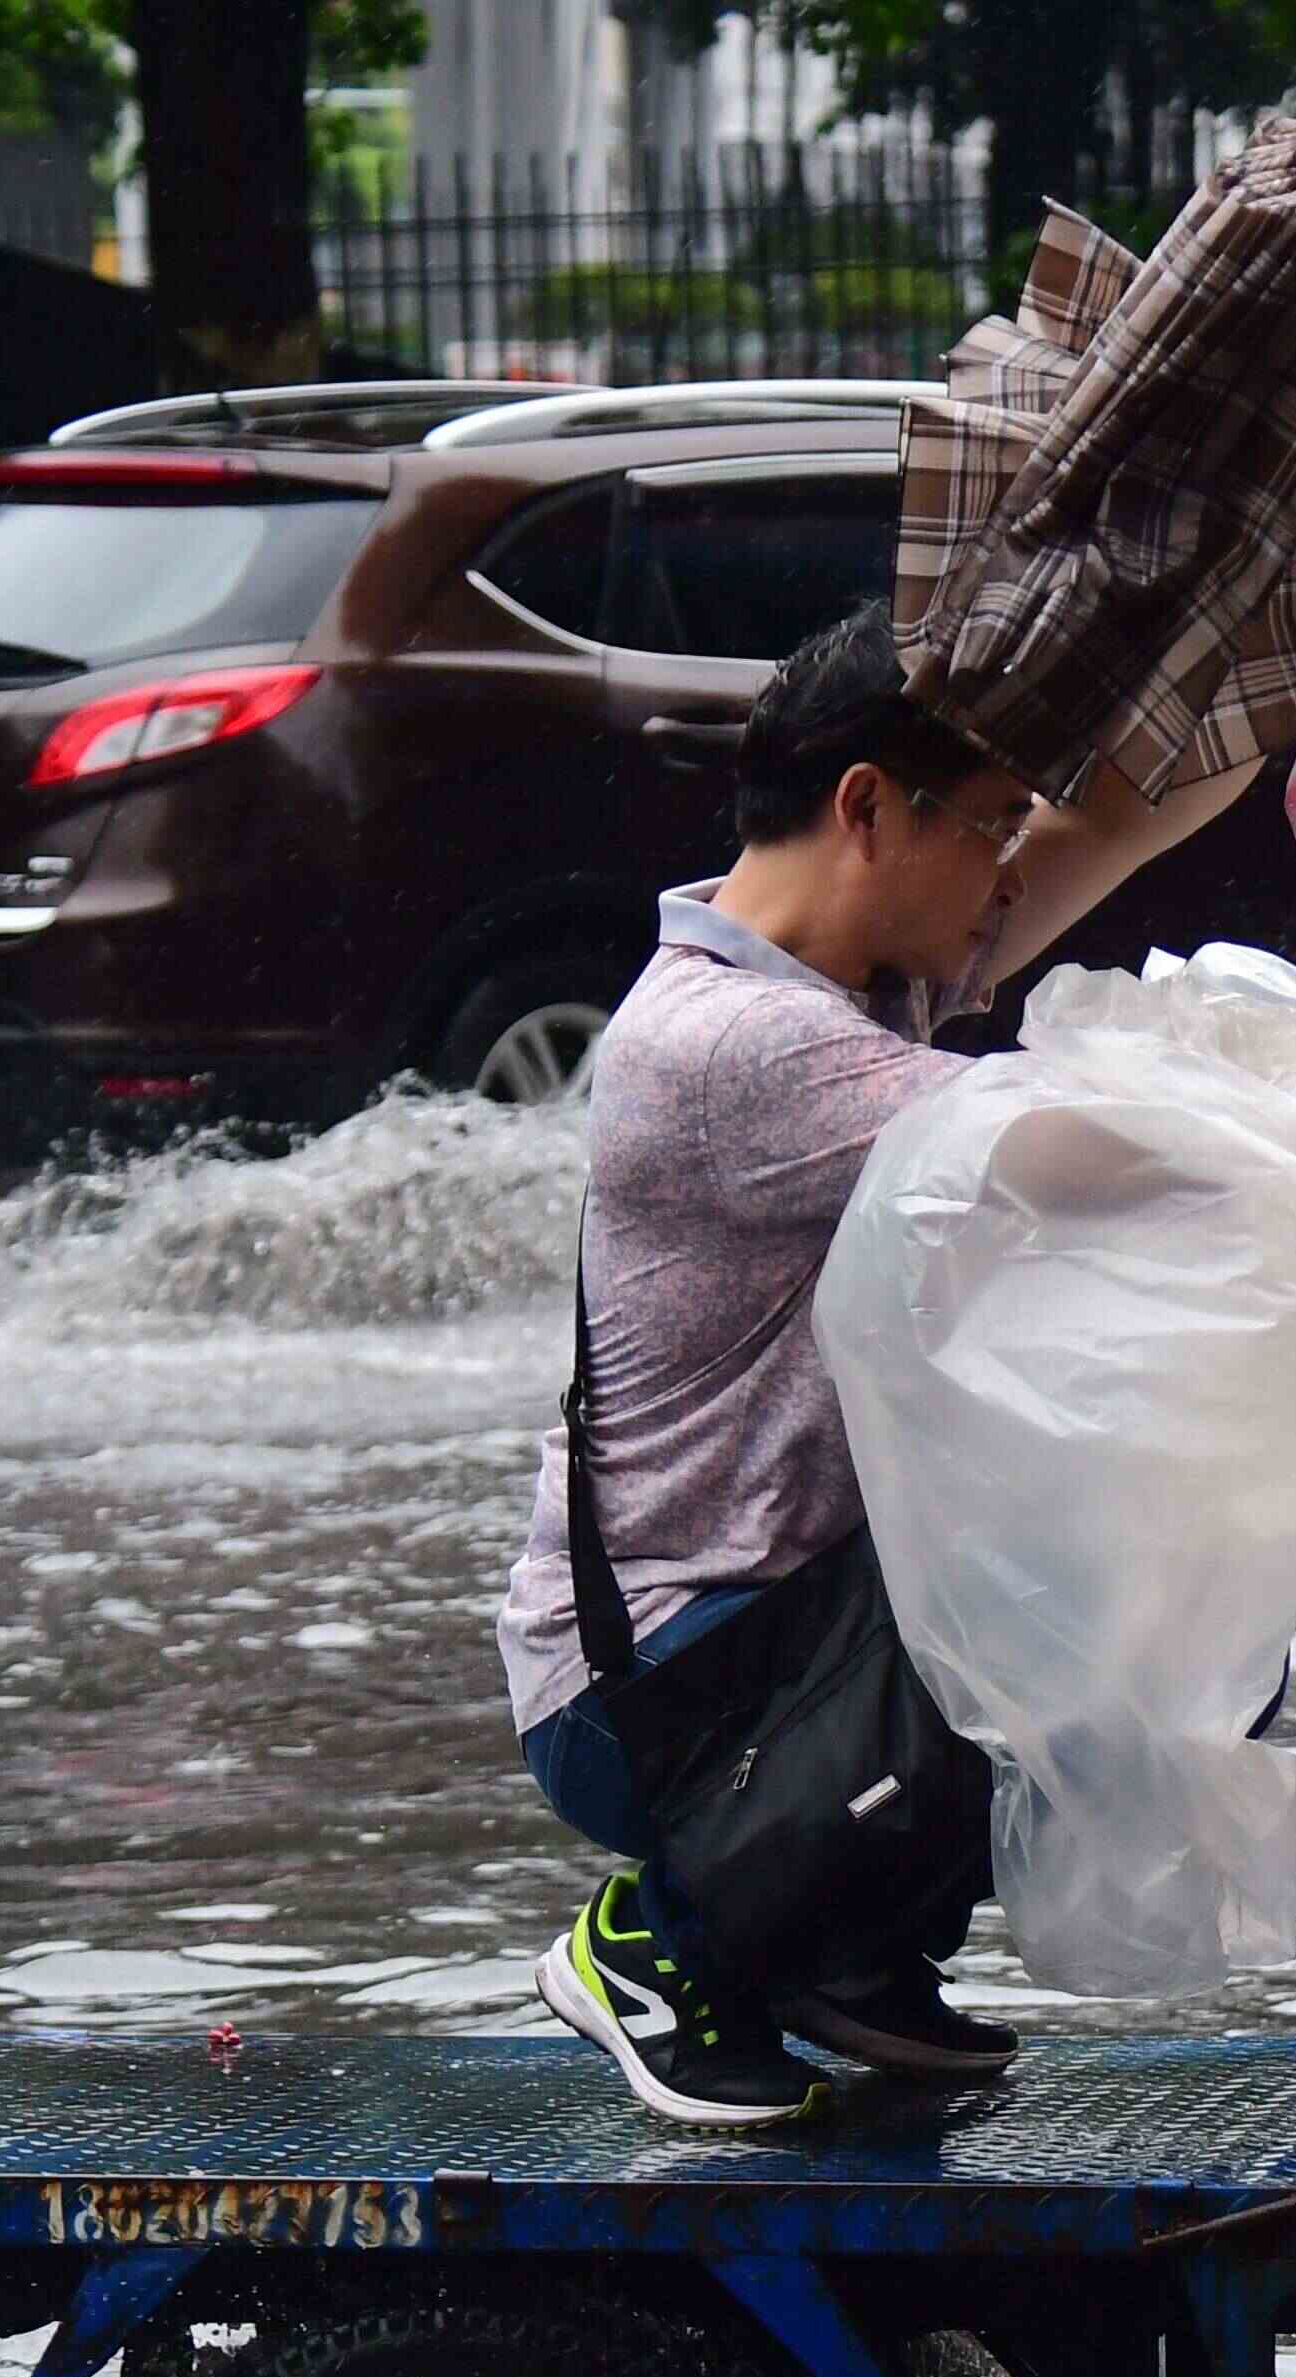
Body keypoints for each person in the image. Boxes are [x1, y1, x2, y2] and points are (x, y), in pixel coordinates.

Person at [499, 599, 1252, 2124]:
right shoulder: (731, 1050)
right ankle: (667, 1939)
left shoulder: (843, 979)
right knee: (1116, 1599)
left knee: (1161, 1569)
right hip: (658, 1689)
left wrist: (1278, 657)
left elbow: (1117, 826)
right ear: (865, 810)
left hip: (785, 1639)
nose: (1005, 875)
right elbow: (1107, 1158)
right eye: (984, 831)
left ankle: (831, 1946)